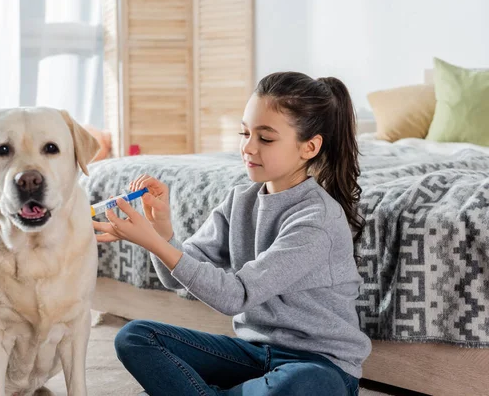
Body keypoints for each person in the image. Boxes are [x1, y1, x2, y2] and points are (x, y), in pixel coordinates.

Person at [92, 71, 372, 396]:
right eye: (245, 133)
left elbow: (236, 296)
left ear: (309, 147)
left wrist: (151, 241)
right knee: (135, 336)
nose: (248, 148)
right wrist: (161, 229)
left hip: (319, 365)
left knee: (308, 383)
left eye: (265, 138)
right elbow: (176, 276)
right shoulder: (240, 200)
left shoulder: (317, 219)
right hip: (253, 354)